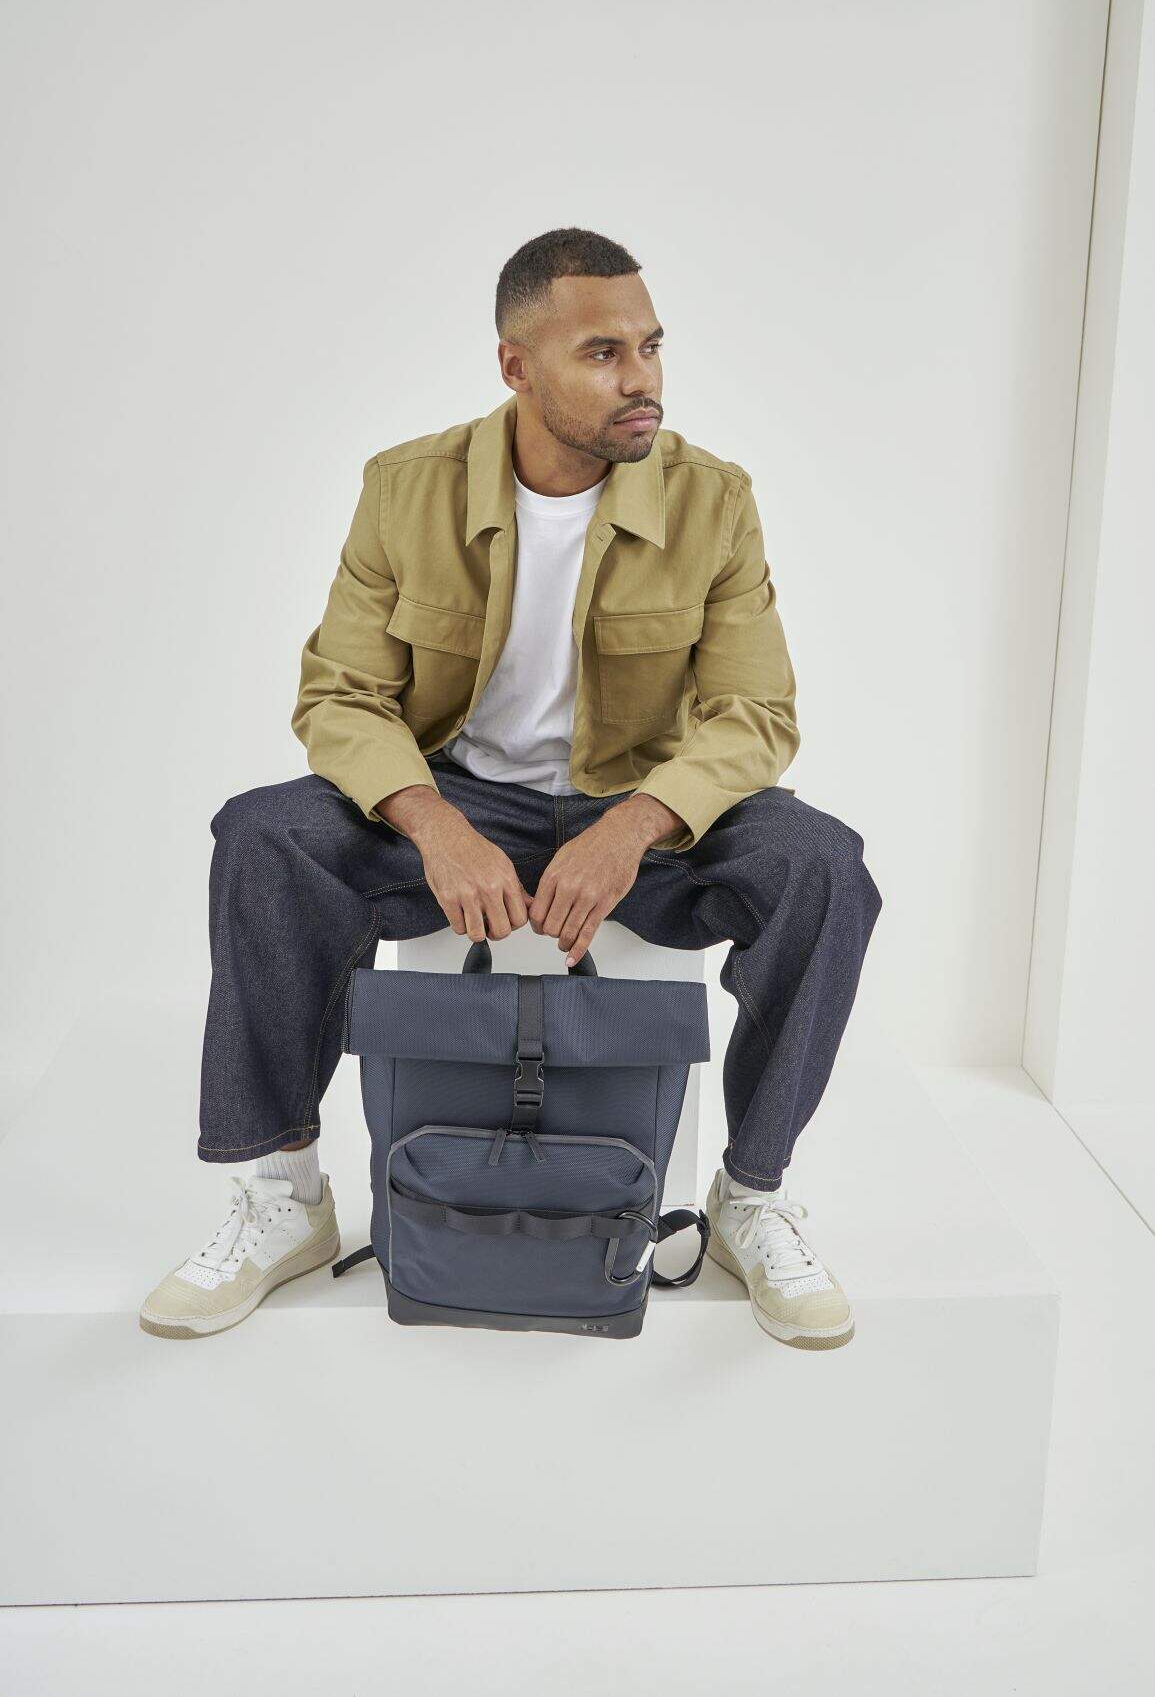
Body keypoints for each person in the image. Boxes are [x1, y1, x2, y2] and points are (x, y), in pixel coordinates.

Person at [139, 226, 882, 1350]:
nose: (642, 379)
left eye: (651, 346)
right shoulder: (406, 489)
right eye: (603, 353)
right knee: (264, 833)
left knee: (821, 865)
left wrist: (636, 824)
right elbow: (340, 695)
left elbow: (755, 714)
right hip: (459, 798)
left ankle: (752, 1195)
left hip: (645, 812)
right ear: (515, 367)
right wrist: (432, 822)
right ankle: (285, 1194)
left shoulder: (713, 500)